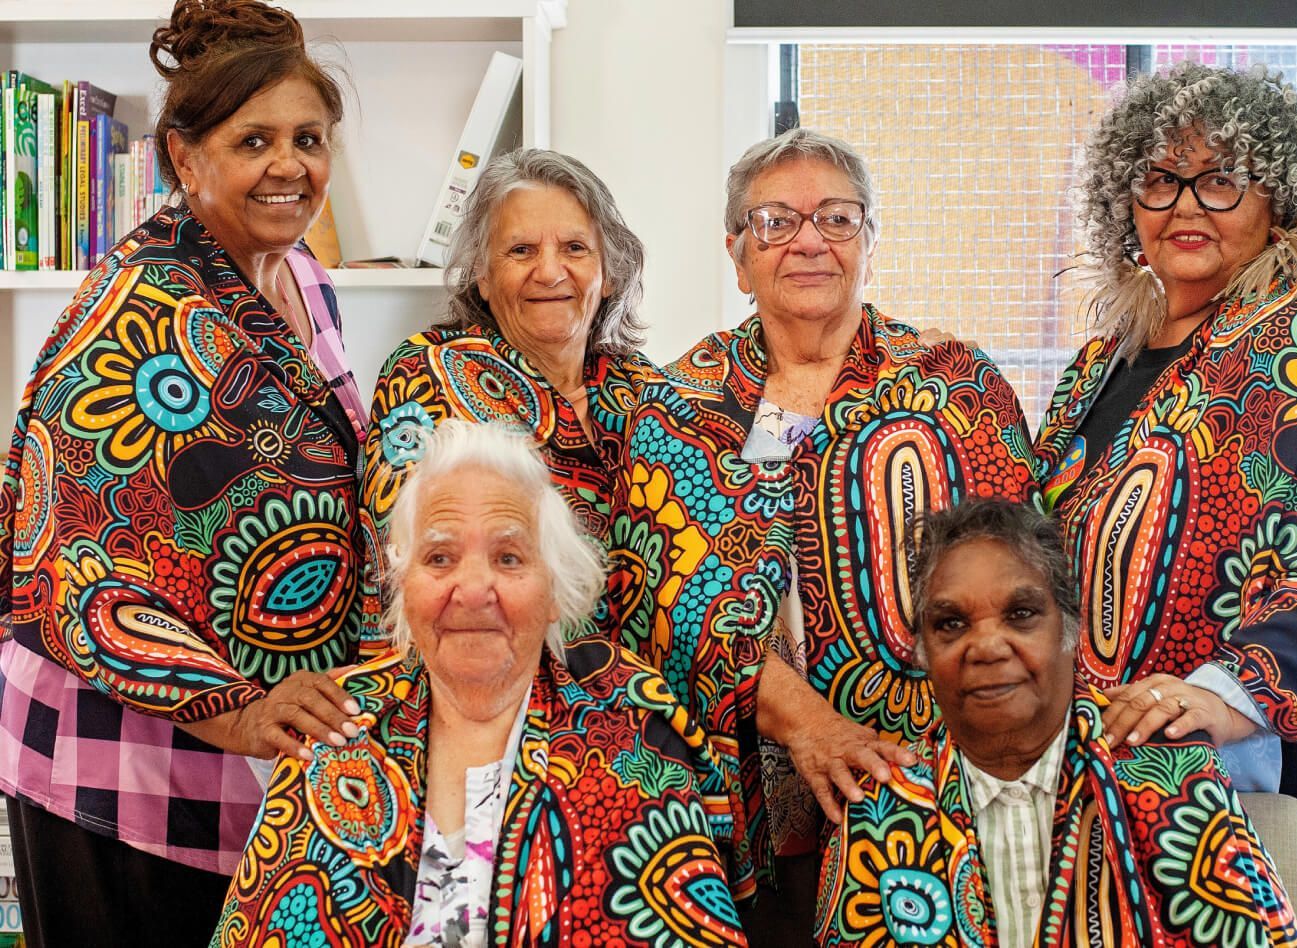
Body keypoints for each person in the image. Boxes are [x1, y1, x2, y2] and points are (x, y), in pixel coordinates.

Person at [0, 1, 367, 943]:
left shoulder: (303, 278)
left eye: (308, 138)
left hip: (242, 755)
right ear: (185, 158)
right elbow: (67, 566)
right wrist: (241, 711)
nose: (291, 166)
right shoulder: (136, 307)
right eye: (255, 141)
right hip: (117, 766)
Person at [1033, 62, 1297, 947]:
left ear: (1279, 201)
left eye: (1220, 179)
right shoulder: (1101, 363)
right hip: (1158, 788)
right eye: (1160, 179)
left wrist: (1225, 693)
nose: (1185, 205)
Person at [360, 148, 773, 893]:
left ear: (608, 269)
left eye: (574, 248)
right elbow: (414, 563)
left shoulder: (653, 395)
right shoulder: (429, 374)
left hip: (646, 741)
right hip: (482, 724)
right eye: (520, 250)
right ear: (483, 276)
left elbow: (714, 573)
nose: (550, 270)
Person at [665, 128, 1038, 937]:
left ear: (871, 242)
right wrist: (802, 719)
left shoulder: (954, 384)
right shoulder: (679, 404)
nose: (808, 241)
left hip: (916, 782)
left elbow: (1024, 581)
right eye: (775, 221)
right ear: (737, 253)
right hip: (734, 791)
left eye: (836, 219)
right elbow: (662, 597)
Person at [214, 419, 745, 946]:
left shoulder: (631, 726)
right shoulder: (337, 724)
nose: (472, 589)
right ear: (405, 588)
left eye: (508, 557)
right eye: (440, 557)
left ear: (555, 588)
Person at [817, 498, 1297, 947]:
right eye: (951, 623)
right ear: (923, 652)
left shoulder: (1177, 779)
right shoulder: (878, 808)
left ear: (1069, 631)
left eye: (1021, 614)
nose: (986, 647)